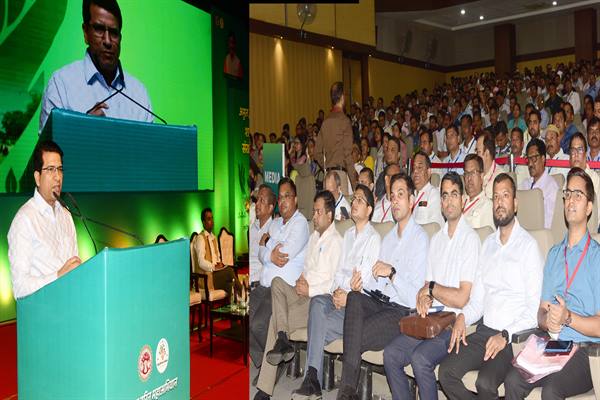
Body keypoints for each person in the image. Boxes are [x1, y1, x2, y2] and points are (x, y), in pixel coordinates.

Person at [438, 173, 544, 400]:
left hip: (512, 338)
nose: (499, 202)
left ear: (515, 204)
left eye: (505, 196)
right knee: (446, 372)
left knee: (485, 383)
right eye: (496, 197)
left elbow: (533, 312)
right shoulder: (487, 245)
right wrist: (463, 317)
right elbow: (477, 301)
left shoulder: (528, 247)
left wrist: (505, 335)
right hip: (485, 331)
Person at [504, 167, 600, 399]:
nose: (571, 200)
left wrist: (567, 318)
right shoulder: (555, 254)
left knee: (551, 391)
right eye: (568, 194)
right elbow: (541, 312)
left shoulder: (597, 258)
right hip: (554, 344)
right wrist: (548, 321)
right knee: (512, 381)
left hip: (585, 351)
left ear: (589, 207)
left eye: (578, 195)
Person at [384, 171, 480, 400]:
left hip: (453, 323)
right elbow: (425, 289)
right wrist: (425, 298)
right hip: (431, 319)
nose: (449, 201)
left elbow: (461, 298)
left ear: (463, 200)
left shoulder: (470, 240)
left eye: (454, 194)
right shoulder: (436, 240)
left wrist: (432, 290)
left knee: (420, 359)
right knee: (391, 354)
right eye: (444, 195)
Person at [336, 172, 429, 400]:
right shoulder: (388, 239)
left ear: (411, 200)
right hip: (380, 302)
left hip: (401, 312)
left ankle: (347, 391)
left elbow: (414, 298)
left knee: (352, 333)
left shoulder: (420, 239)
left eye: (401, 195)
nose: (395, 201)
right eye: (392, 196)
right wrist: (360, 284)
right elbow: (376, 281)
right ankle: (348, 392)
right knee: (355, 297)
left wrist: (393, 273)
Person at [291, 184, 380, 400]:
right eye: (354, 198)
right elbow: (338, 274)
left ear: (369, 210)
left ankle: (313, 379)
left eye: (360, 200)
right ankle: (313, 379)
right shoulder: (348, 235)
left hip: (356, 306)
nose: (354, 202)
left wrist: (347, 294)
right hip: (337, 296)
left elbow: (364, 281)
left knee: (317, 323)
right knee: (317, 303)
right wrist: (338, 291)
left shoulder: (373, 239)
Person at [254, 191, 343, 400]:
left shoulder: (337, 242)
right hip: (302, 293)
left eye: (319, 212)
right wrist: (301, 279)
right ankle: (282, 339)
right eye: (314, 211)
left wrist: (309, 289)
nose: (315, 216)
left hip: (319, 300)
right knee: (277, 282)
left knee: (275, 319)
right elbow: (306, 268)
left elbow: (333, 283)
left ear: (330, 215)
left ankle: (265, 388)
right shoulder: (313, 238)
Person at [39, 0, 153, 131]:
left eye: (114, 33)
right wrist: (84, 129)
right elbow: (48, 144)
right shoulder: (61, 84)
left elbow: (150, 144)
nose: (107, 41)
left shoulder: (139, 93)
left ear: (120, 38)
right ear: (86, 32)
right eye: (99, 29)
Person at [8, 140, 81, 299]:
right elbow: (19, 288)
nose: (58, 177)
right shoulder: (24, 220)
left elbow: (74, 267)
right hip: (43, 309)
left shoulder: (66, 215)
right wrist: (58, 276)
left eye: (60, 169)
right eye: (50, 169)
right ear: (37, 177)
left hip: (71, 304)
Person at [249, 178, 309, 367]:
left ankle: (276, 365)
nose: (282, 201)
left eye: (287, 196)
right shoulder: (274, 223)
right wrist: (270, 253)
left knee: (258, 325)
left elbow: (285, 253)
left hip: (281, 290)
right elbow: (260, 253)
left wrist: (268, 242)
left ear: (295, 199)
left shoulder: (300, 224)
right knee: (244, 323)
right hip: (263, 286)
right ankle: (265, 362)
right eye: (280, 197)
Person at [315, 82, 357, 195]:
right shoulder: (345, 121)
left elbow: (316, 153)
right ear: (342, 97)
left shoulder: (325, 122)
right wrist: (355, 185)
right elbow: (347, 155)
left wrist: (326, 167)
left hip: (328, 177)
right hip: (340, 177)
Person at [192, 208, 240, 296]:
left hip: (216, 275)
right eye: (209, 219)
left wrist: (220, 264)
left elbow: (218, 258)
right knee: (229, 271)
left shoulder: (213, 238)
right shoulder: (200, 238)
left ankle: (237, 302)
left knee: (230, 285)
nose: (212, 221)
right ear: (203, 222)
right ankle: (244, 293)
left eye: (212, 218)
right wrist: (214, 267)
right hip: (206, 278)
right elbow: (200, 262)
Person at [519, 138, 558, 229]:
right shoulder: (525, 184)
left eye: (534, 158)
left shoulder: (551, 186)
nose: (530, 164)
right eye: (528, 159)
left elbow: (548, 223)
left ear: (543, 158)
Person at [250, 185, 276, 286]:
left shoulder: (273, 231)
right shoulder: (253, 227)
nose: (257, 204)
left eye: (262, 201)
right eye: (257, 200)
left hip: (257, 282)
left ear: (270, 208)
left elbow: (268, 266)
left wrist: (250, 280)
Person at [411, 151, 445, 228]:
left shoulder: (433, 194)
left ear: (429, 172)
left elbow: (434, 227)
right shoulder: (410, 195)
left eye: (419, 167)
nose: (415, 171)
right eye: (414, 168)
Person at [462, 154, 495, 230]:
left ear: (481, 176)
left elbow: (486, 234)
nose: (469, 178)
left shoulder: (487, 205)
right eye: (466, 173)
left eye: (473, 173)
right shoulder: (460, 201)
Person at [477, 135, 503, 200]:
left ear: (487, 153)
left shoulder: (500, 177)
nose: (476, 156)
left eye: (478, 152)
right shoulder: (475, 174)